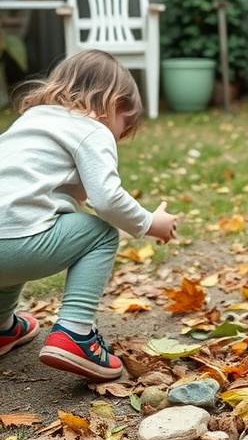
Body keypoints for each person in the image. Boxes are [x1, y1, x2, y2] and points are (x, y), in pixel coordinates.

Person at [0, 50, 177, 384]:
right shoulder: (92, 129)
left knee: (22, 223)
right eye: (122, 129)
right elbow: (106, 199)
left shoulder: (30, 121)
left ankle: (3, 328)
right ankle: (75, 333)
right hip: (19, 247)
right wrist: (151, 223)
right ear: (113, 105)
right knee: (100, 231)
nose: (117, 139)